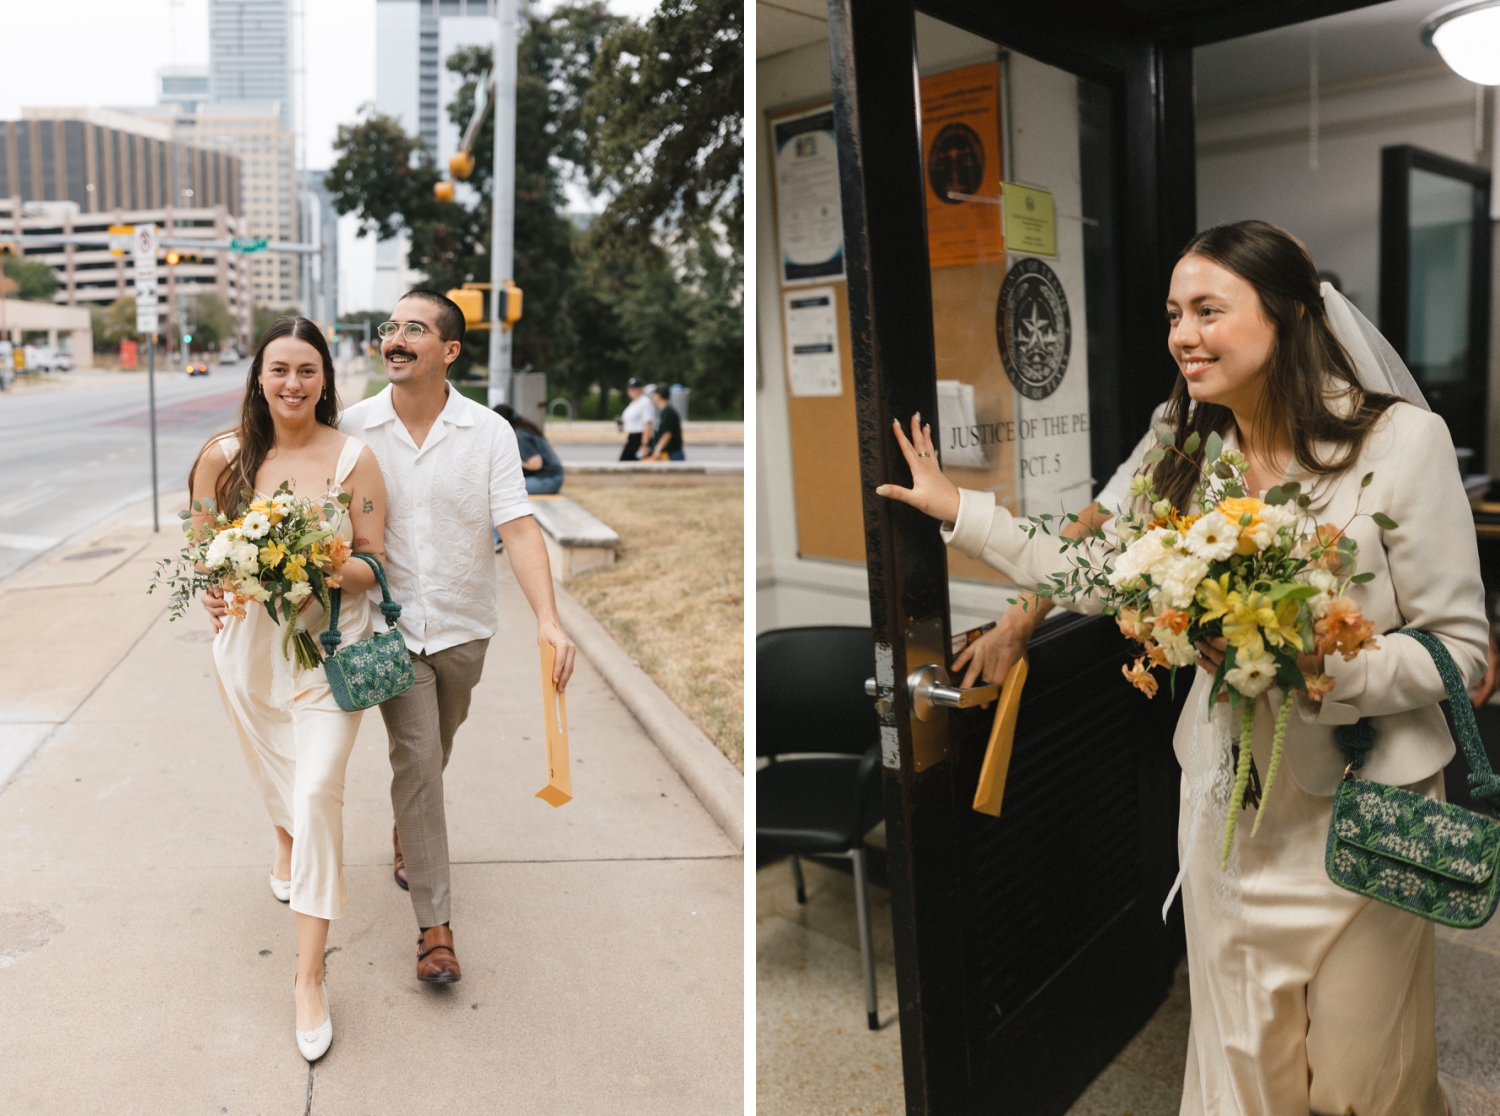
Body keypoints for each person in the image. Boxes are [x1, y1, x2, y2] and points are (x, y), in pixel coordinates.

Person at [877, 220, 1485, 1116]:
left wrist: (1322, 665)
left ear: (1288, 316)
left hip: (1366, 808)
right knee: (1247, 1066)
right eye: (1173, 315)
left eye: (1208, 309)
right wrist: (959, 511)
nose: (1183, 336)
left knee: (1367, 1082)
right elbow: (1093, 569)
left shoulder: (1401, 446)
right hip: (1231, 813)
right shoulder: (1183, 446)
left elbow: (1464, 651)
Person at [337, 289, 577, 984]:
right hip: (391, 631)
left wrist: (549, 620)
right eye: (390, 328)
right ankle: (435, 931)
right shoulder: (353, 429)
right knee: (417, 756)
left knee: (433, 751)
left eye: (414, 328)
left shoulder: (489, 434)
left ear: (450, 350)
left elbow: (519, 526)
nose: (396, 338)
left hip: (467, 629)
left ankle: (409, 831)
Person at [192, 316, 390, 1062]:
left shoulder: (355, 461)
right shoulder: (224, 457)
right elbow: (200, 541)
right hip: (246, 650)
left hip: (334, 651)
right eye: (279, 370)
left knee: (317, 795)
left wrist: (313, 567)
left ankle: (308, 977)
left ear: (326, 381)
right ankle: (282, 841)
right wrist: (214, 583)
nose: (293, 384)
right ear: (258, 378)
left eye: (308, 370)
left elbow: (375, 564)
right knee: (278, 773)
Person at [495, 403, 565, 493]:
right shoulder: (526, 428)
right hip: (553, 476)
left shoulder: (521, 436)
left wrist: (514, 463)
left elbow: (536, 464)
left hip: (548, 479)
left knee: (505, 490)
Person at [618, 377, 655, 461]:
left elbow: (647, 424)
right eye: (630, 388)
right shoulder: (633, 402)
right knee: (624, 463)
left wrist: (644, 445)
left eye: (635, 388)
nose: (632, 390)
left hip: (640, 438)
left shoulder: (645, 402)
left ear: (641, 389)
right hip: (631, 437)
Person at [645, 385, 684, 461]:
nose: (653, 397)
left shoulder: (668, 411)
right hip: (667, 454)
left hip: (672, 454)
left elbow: (667, 433)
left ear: (658, 395)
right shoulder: (664, 411)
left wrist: (658, 449)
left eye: (654, 395)